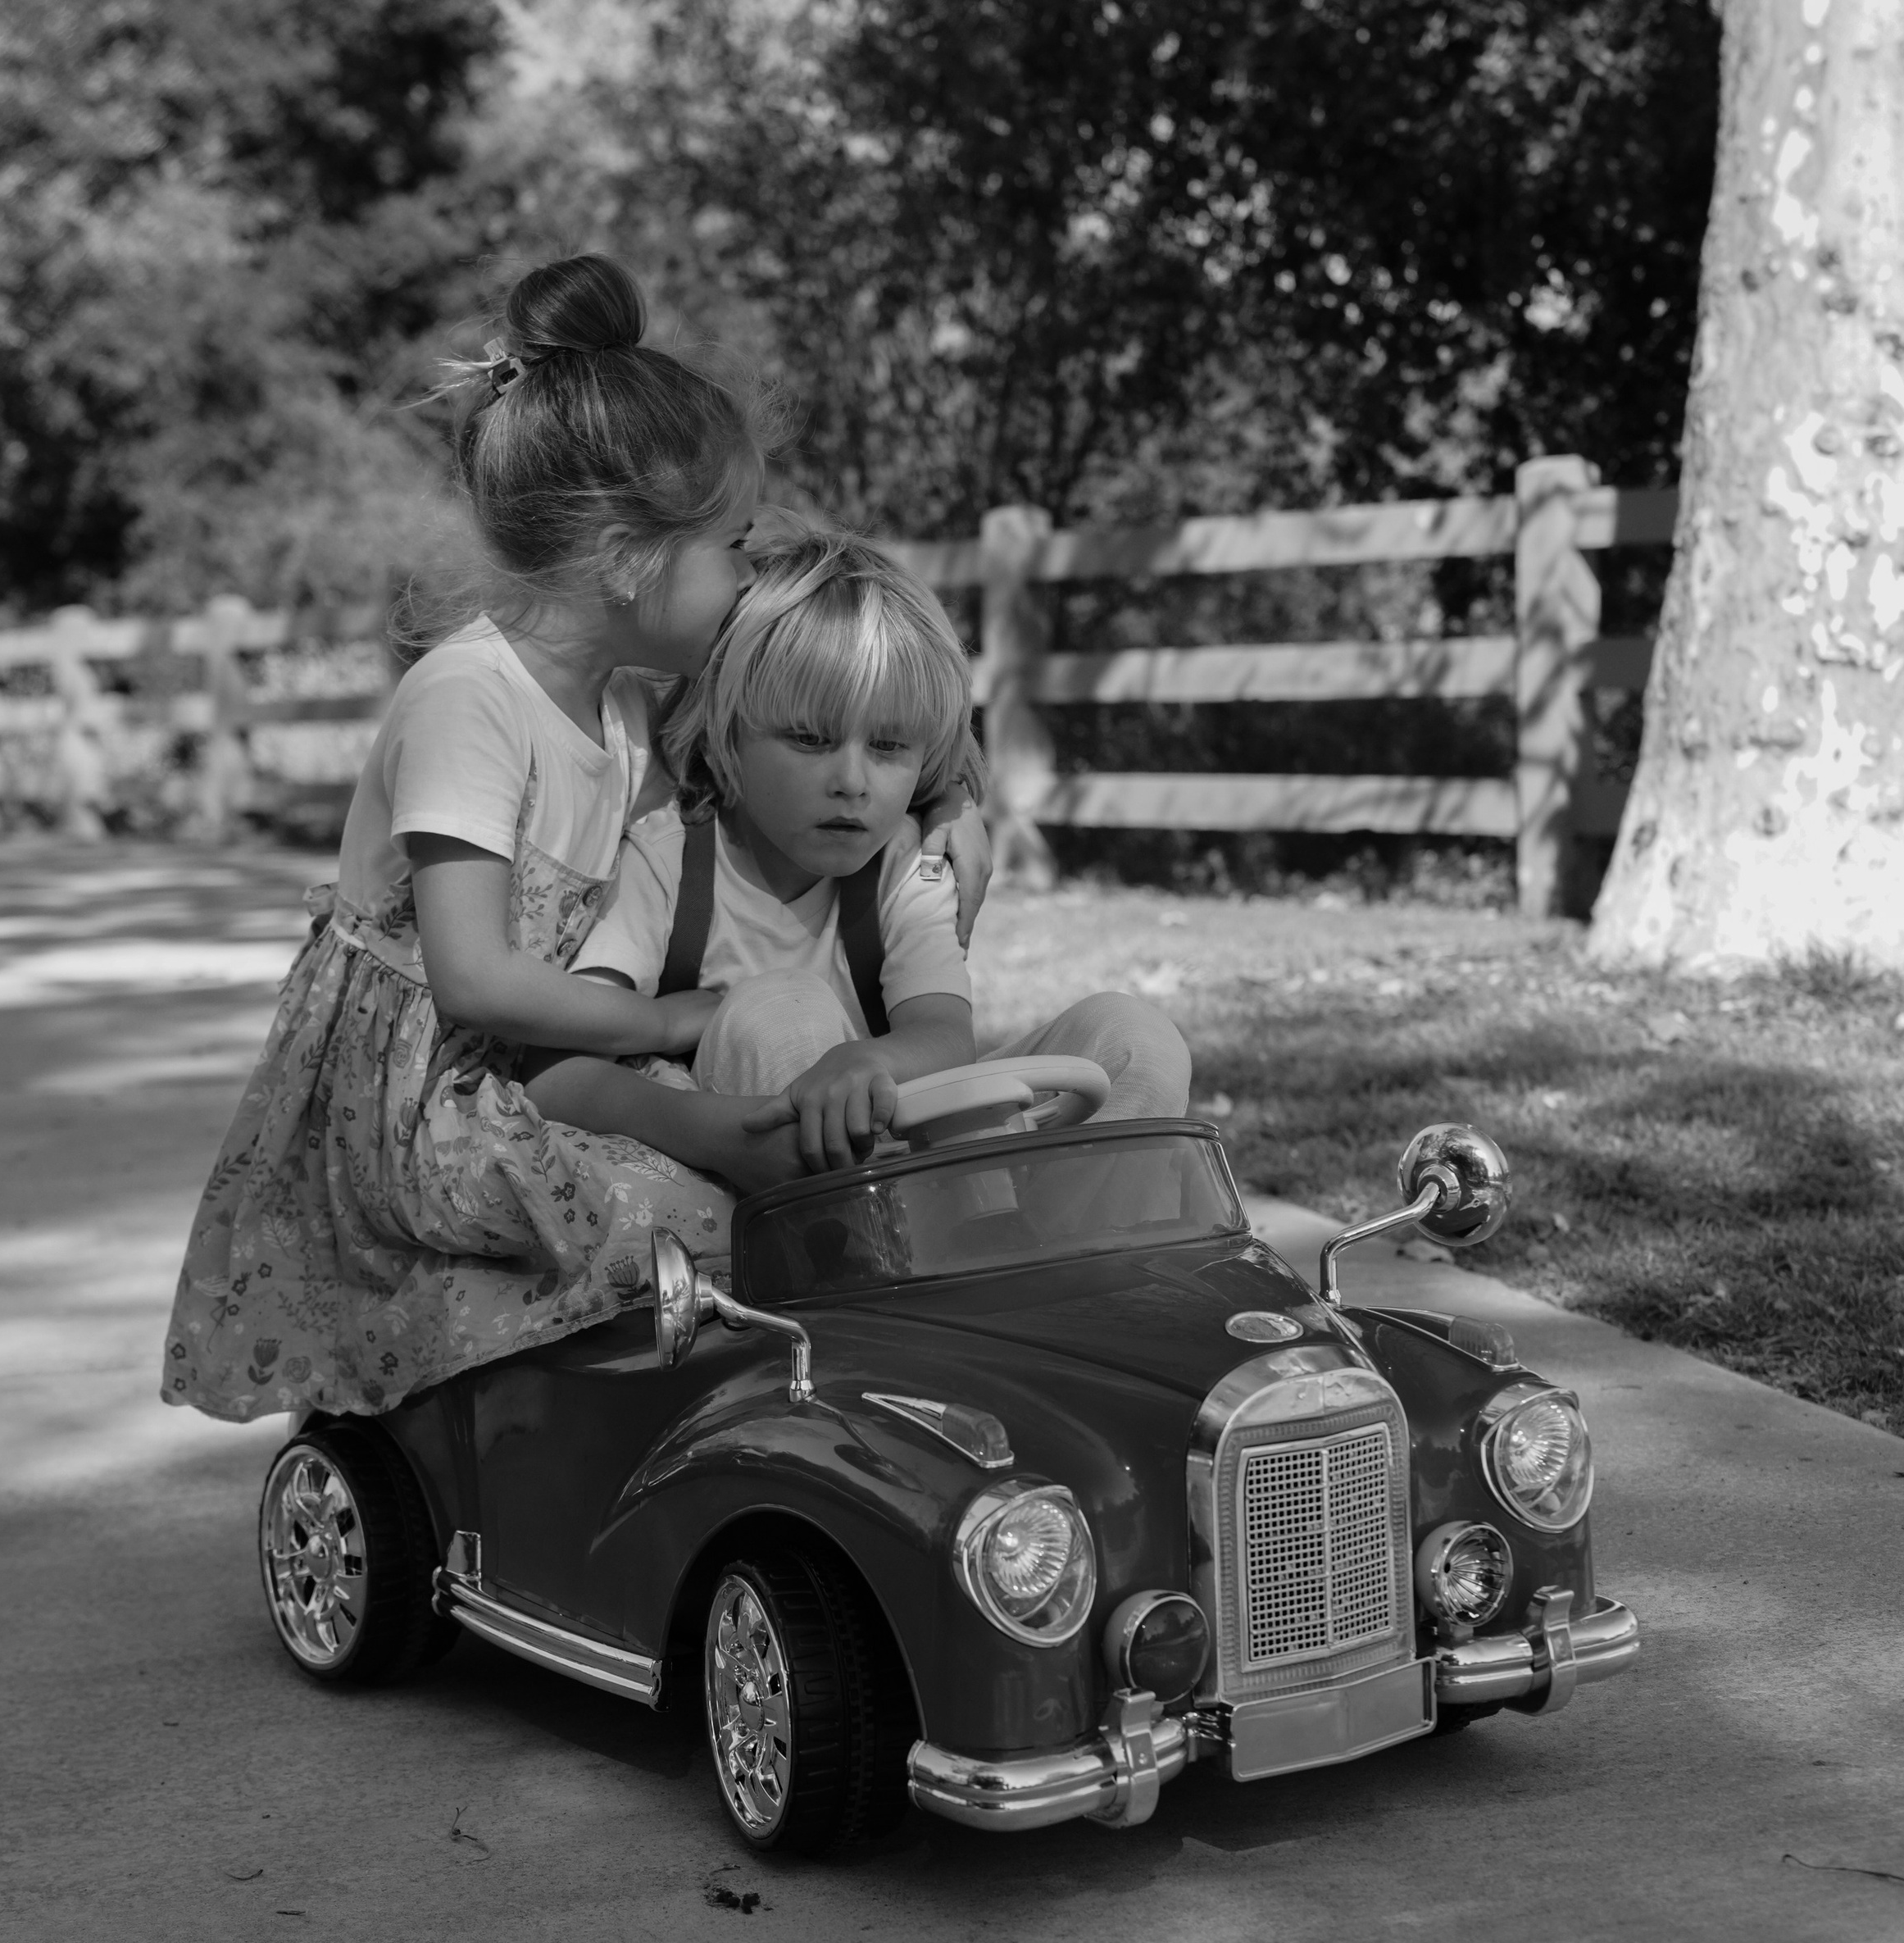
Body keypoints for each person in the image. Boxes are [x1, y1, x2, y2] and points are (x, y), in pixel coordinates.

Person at [161, 257, 987, 1425]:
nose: (749, 575)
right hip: (428, 1097)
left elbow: (823, 721)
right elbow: (475, 978)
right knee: (703, 1218)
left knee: (776, 1183)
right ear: (627, 561)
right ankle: (634, 1439)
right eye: (732, 547)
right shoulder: (470, 700)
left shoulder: (625, 704)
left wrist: (954, 800)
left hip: (544, 1062)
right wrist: (664, 1023)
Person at [523, 522, 1192, 1172]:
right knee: (783, 1007)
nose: (851, 782)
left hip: (904, 1147)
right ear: (729, 740)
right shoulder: (668, 862)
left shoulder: (906, 864)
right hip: (758, 1167)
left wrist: (867, 1064)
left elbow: (943, 1037)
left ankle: (1062, 1253)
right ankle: (862, 1262)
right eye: (810, 740)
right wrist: (695, 1126)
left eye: (888, 747)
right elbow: (556, 1073)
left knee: (1135, 1038)